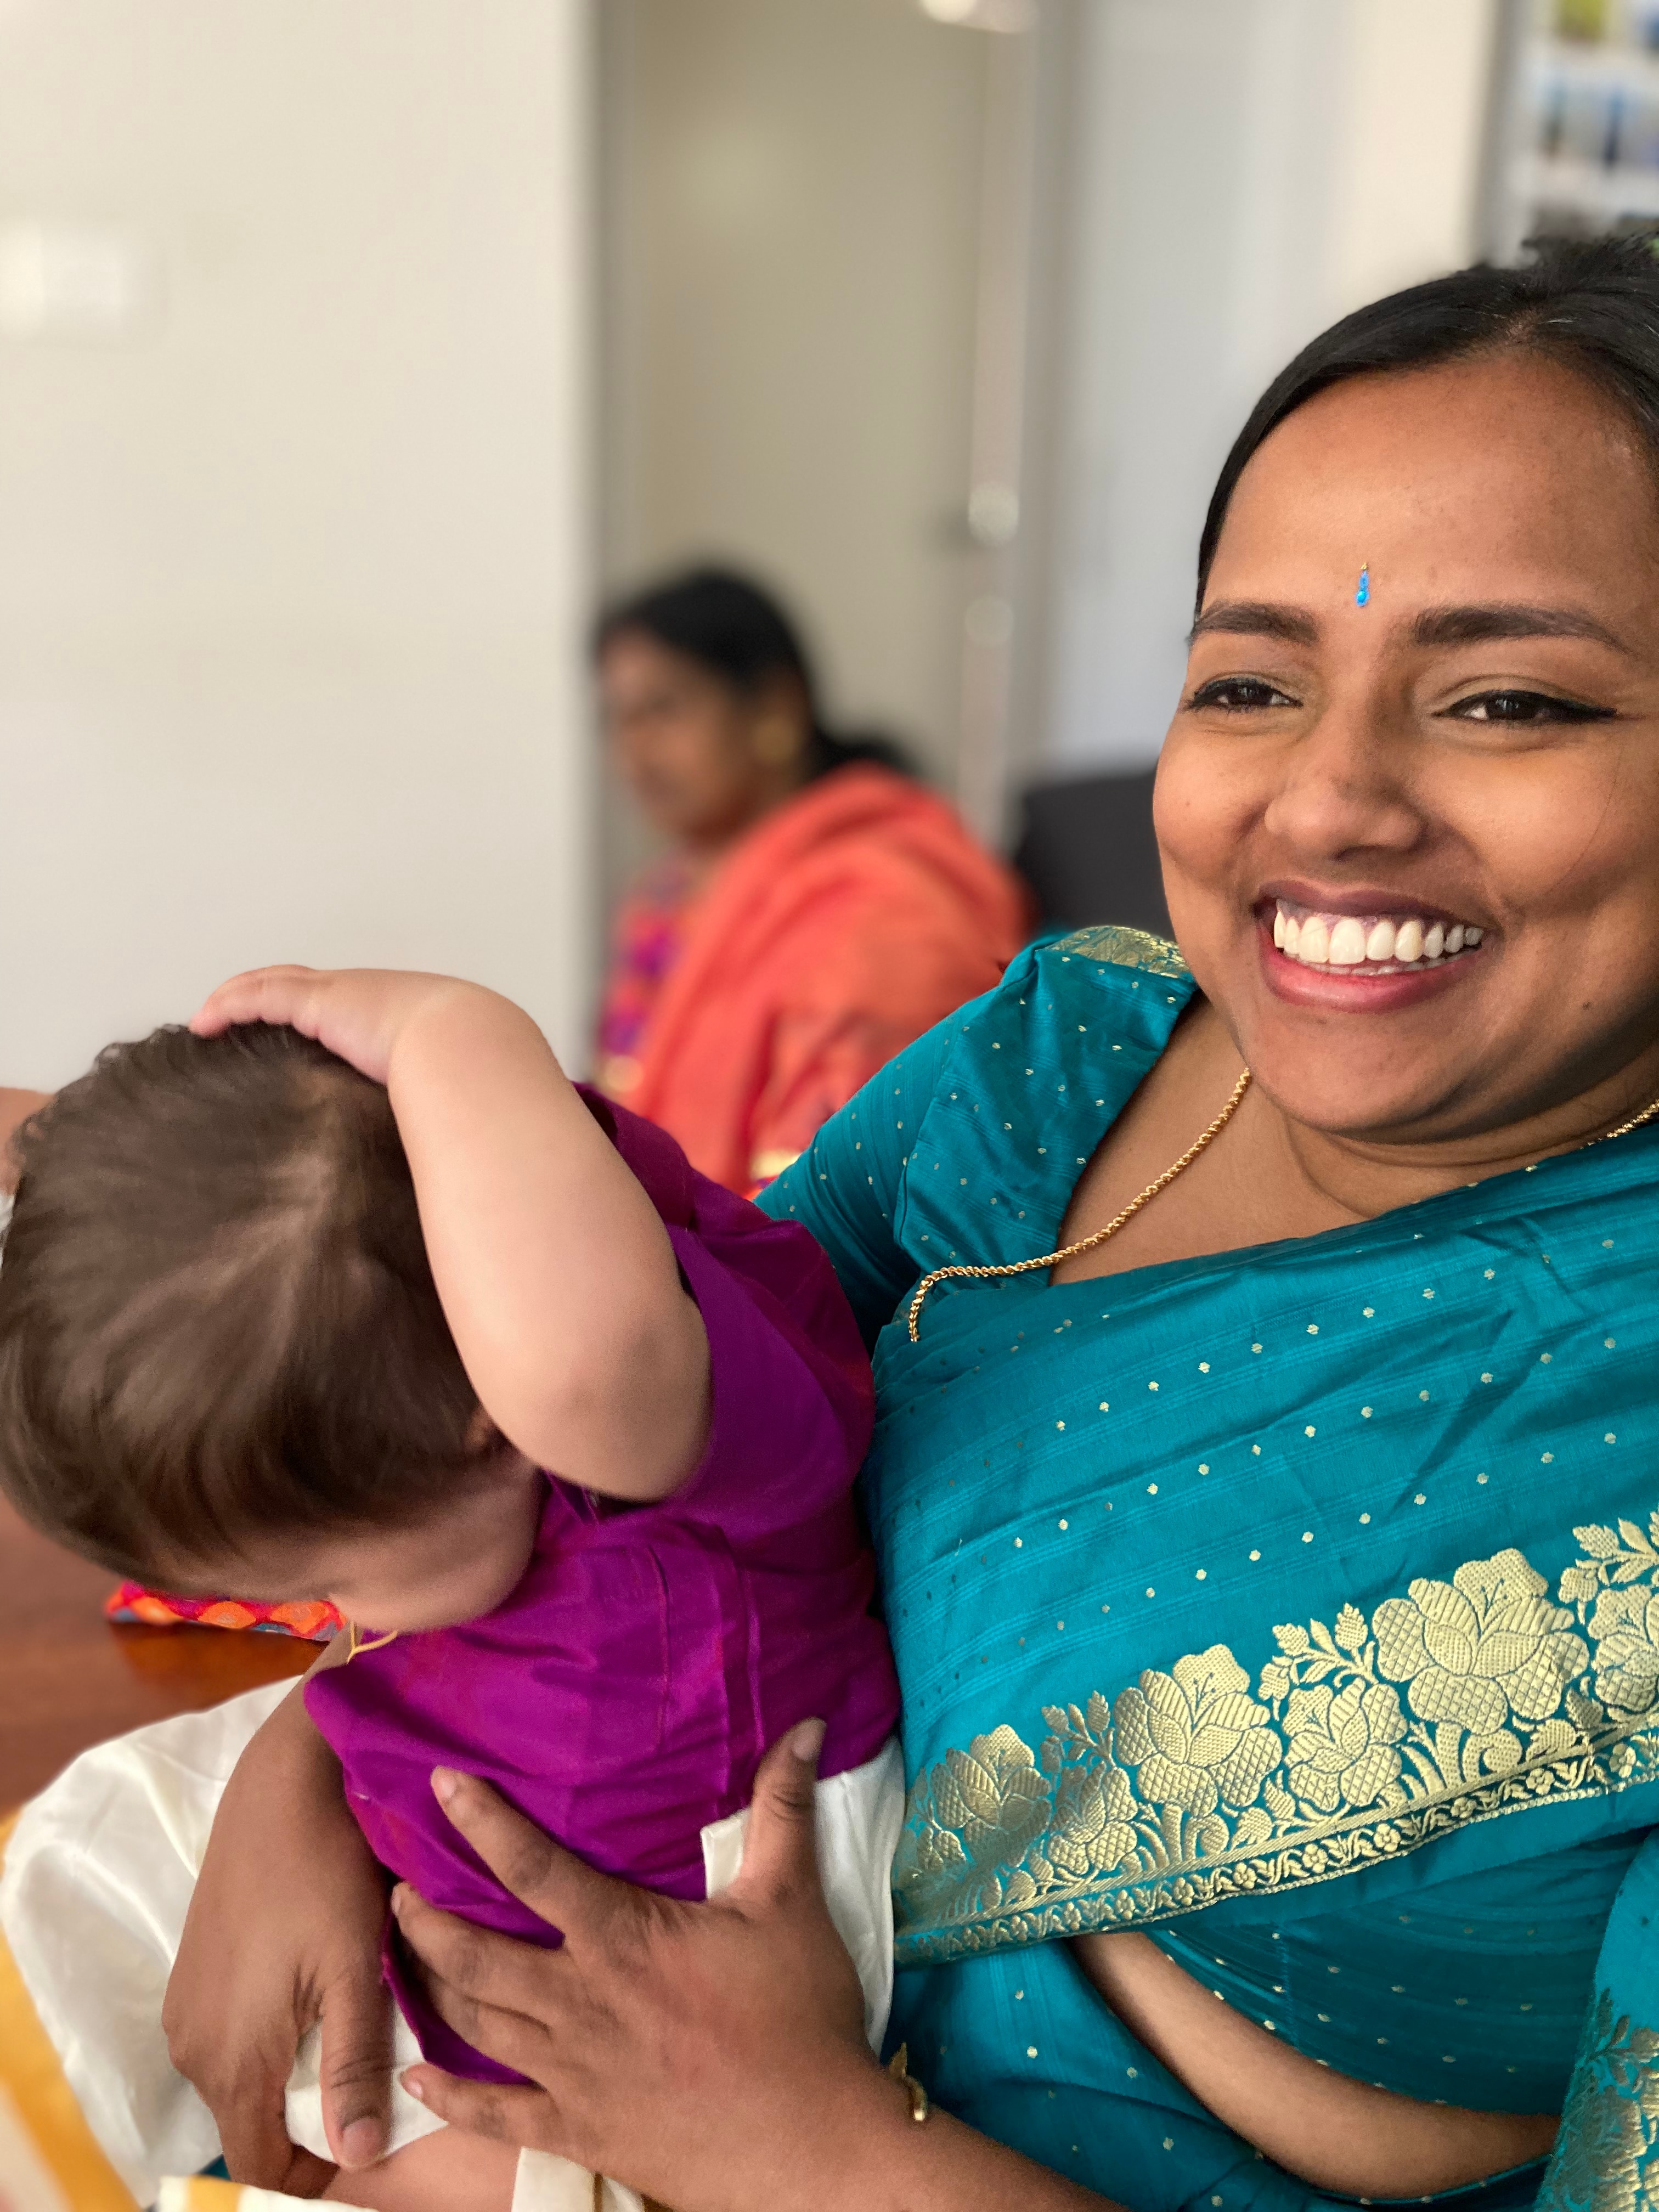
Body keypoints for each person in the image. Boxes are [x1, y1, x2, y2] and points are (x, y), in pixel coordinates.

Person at [11, 227, 1659, 2209]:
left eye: (1500, 701)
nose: (1320, 803)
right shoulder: (1070, 1056)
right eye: (1245, 677)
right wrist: (317, 1771)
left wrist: (799, 2144)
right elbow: (626, 1441)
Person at [0, 969, 901, 2211]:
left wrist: (446, 1029)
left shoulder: (659, 1449)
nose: (337, 1620)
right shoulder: (487, 1273)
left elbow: (580, 1353)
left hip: (634, 2096)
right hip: (433, 1941)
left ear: (497, 1412)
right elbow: (184, 1212)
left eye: (324, 1579)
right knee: (72, 1855)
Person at [592, 567, 1031, 1194]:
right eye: (618, 717)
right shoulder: (665, 899)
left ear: (775, 706)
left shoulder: (880, 906)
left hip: (791, 1277)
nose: (633, 750)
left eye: (665, 708)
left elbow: (837, 1207)